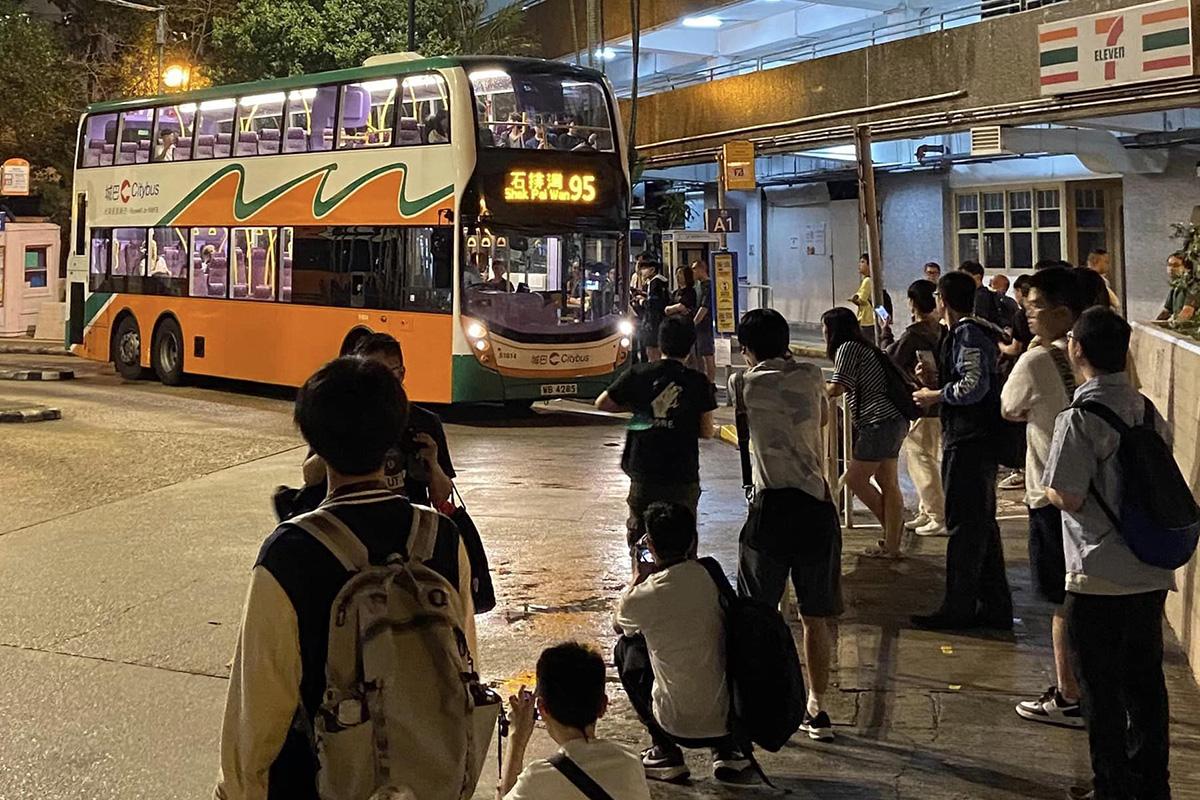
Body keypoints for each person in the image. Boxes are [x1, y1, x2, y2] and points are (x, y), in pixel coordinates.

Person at [215, 356, 474, 800]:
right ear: (394, 434)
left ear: (314, 443)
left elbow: (258, 709)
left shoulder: (290, 553)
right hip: (428, 782)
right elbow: (464, 663)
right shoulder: (441, 538)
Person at [1043, 308, 1176, 800]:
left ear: (1077, 350)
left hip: (1097, 572)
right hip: (1149, 568)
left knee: (1099, 689)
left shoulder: (1079, 418)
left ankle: (1112, 786)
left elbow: (1068, 494)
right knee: (1146, 684)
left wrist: (1047, 489)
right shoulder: (1145, 409)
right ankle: (1152, 783)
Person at [733, 308, 841, 742]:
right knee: (816, 616)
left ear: (747, 349)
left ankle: (767, 700)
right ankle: (818, 706)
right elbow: (822, 419)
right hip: (816, 507)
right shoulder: (812, 375)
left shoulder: (742, 383)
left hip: (771, 510)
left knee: (759, 613)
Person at [1000, 268, 1086, 729]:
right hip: (1091, 493)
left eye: (1034, 307)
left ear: (1062, 312)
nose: (1027, 314)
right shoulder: (1093, 354)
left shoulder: (1036, 360)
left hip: (1049, 493)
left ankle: (1069, 694)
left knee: (1060, 599)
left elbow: (1009, 407)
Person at [614, 502, 750, 784]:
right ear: (693, 541)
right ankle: (728, 750)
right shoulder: (710, 576)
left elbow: (619, 624)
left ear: (650, 545)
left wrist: (638, 576)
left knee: (626, 648)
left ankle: (664, 750)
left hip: (673, 723)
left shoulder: (643, 595)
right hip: (729, 719)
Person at [911, 271, 1013, 630]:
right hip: (975, 439)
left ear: (942, 300)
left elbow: (973, 385)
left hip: (970, 440)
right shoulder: (971, 331)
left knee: (965, 526)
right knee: (981, 525)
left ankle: (959, 607)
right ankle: (995, 606)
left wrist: (935, 395)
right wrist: (935, 380)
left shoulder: (967, 333)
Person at [596, 317, 717, 552]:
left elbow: (603, 403)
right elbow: (706, 431)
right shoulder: (698, 382)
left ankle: (641, 573)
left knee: (642, 540)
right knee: (682, 543)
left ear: (660, 344)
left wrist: (640, 408)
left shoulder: (638, 374)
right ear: (690, 346)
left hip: (644, 473)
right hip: (682, 477)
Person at [301, 333, 455, 509]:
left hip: (405, 521)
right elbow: (310, 477)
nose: (376, 384)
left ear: (401, 373)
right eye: (367, 376)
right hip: (348, 518)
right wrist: (332, 446)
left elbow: (441, 497)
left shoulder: (425, 422)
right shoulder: (340, 416)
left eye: (384, 374)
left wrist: (433, 463)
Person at [498, 642, 651, 800]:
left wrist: (517, 740)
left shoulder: (537, 780)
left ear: (542, 708)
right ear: (603, 705)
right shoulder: (630, 762)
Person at [823, 306, 908, 558]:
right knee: (888, 482)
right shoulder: (864, 347)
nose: (823, 333)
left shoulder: (847, 348)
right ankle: (892, 543)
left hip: (878, 422)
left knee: (854, 479)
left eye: (825, 328)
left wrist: (811, 391)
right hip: (894, 419)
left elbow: (837, 387)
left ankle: (893, 533)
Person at [887, 280, 945, 537]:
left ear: (912, 303)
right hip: (939, 402)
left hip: (922, 403)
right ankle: (926, 510)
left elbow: (892, 360)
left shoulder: (914, 334)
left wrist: (885, 333)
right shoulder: (941, 331)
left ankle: (936, 514)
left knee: (921, 461)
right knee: (929, 458)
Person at [635, 261, 670, 362]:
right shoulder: (660, 282)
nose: (642, 271)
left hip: (653, 322)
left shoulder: (655, 282)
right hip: (659, 320)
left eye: (644, 268)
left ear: (652, 269)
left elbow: (654, 303)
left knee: (652, 351)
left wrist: (642, 301)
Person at [691, 260, 717, 384]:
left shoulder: (708, 286)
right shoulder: (697, 286)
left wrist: (694, 322)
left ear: (701, 269)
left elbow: (704, 307)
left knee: (707, 355)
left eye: (694, 269)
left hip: (705, 326)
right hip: (698, 327)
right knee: (698, 355)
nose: (693, 272)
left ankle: (710, 382)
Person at [1156, 250, 1198, 322]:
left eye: (1176, 265)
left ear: (1187, 269)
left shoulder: (1193, 287)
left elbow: (1187, 313)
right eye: (1169, 265)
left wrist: (1174, 324)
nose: (1171, 269)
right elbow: (1166, 312)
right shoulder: (1176, 287)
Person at [959, 260, 1003, 326]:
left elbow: (979, 321)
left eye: (965, 277)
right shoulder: (986, 294)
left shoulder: (980, 296)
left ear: (978, 277)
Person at [849, 253, 877, 342]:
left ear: (869, 265)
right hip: (871, 319)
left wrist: (853, 299)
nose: (859, 265)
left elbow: (861, 300)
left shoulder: (867, 281)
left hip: (866, 319)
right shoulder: (872, 280)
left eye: (862, 262)